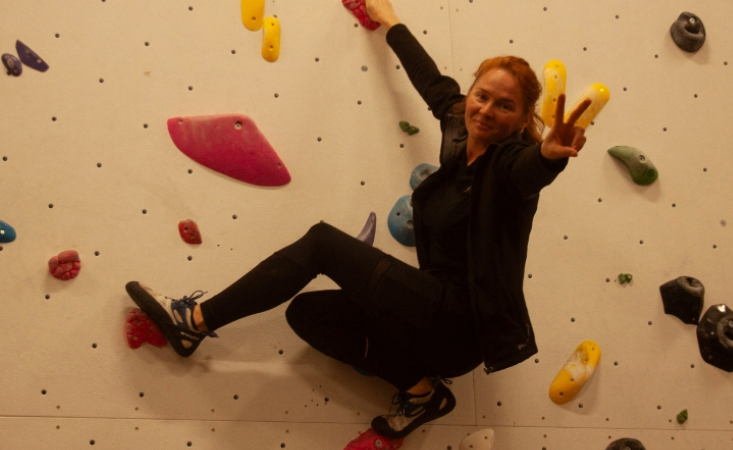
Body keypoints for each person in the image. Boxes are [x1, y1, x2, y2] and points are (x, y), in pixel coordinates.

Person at [124, 0, 591, 439]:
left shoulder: (512, 164)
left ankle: (195, 322)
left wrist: (550, 155)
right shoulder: (460, 126)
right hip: (428, 316)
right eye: (481, 96)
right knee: (308, 314)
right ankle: (421, 393)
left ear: (525, 116)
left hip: (462, 325)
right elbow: (431, 81)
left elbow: (531, 171)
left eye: (504, 106)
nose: (486, 110)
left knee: (323, 243)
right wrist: (387, 17)